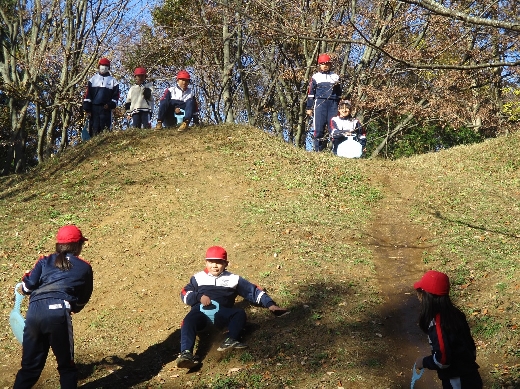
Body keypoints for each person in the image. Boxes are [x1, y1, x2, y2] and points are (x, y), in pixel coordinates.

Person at [175, 246, 288, 369]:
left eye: (219, 262)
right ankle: (186, 353)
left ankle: (230, 339)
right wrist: (199, 297)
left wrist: (270, 305)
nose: (214, 265)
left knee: (239, 313)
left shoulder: (233, 279)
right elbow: (184, 293)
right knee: (188, 320)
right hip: (200, 310)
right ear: (206, 262)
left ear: (226, 263)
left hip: (221, 312)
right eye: (211, 262)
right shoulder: (198, 278)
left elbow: (253, 291)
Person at [13, 225, 93, 389]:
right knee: (66, 367)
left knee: (29, 369)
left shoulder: (44, 260)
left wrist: (25, 282)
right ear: (78, 246)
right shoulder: (84, 267)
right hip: (58, 313)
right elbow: (83, 297)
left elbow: (28, 288)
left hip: (34, 313)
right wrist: (75, 308)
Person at [413, 270, 483, 388]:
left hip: (457, 382)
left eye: (420, 292)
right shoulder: (456, 314)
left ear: (427, 297)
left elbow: (443, 360)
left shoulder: (437, 324)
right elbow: (471, 347)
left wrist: (423, 362)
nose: (419, 296)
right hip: (472, 376)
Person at [306, 53, 342, 152]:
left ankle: (337, 151)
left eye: (327, 64)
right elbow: (311, 93)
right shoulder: (316, 77)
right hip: (320, 104)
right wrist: (309, 108)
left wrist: (340, 107)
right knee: (318, 128)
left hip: (333, 104)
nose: (325, 66)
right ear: (319, 65)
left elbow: (339, 93)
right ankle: (317, 150)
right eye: (322, 64)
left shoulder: (335, 77)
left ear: (330, 65)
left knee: (334, 128)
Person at [82, 58, 120, 137]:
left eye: (106, 65)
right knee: (93, 128)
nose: (103, 67)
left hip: (106, 109)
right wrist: (87, 107)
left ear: (109, 68)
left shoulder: (113, 81)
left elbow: (116, 96)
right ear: (99, 66)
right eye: (102, 65)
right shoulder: (93, 79)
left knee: (105, 130)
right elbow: (88, 94)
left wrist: (110, 104)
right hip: (94, 108)